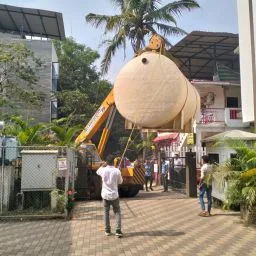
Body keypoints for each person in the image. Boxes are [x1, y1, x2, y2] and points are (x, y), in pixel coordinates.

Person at [96, 154, 123, 237]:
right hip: (114, 195)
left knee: (106, 212)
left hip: (105, 195)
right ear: (113, 161)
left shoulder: (103, 170)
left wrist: (103, 165)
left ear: (107, 162)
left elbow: (97, 171)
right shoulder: (117, 171)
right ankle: (118, 231)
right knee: (117, 212)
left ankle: (107, 230)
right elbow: (120, 182)